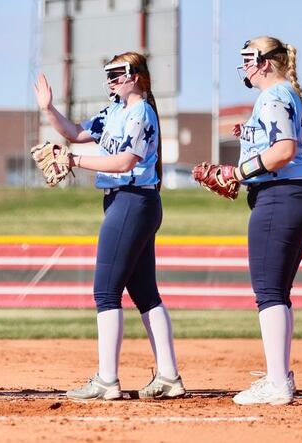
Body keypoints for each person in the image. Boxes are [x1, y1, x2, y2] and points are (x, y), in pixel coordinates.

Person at [33, 52, 185, 401]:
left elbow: (124, 161)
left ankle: (107, 379)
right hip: (129, 202)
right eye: (109, 74)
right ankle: (169, 376)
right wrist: (48, 109)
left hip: (132, 200)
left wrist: (72, 160)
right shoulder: (115, 110)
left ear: (137, 76)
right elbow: (74, 132)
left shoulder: (140, 112)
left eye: (118, 73)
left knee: (105, 292)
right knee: (145, 294)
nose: (112, 80)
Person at [218, 36, 302, 405]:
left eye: (249, 58)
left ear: (265, 62)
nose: (245, 66)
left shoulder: (273, 95)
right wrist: (249, 136)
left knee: (268, 293)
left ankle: (278, 383)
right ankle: (280, 376)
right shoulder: (300, 94)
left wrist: (236, 171)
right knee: (278, 292)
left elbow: (284, 150)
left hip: (283, 194)